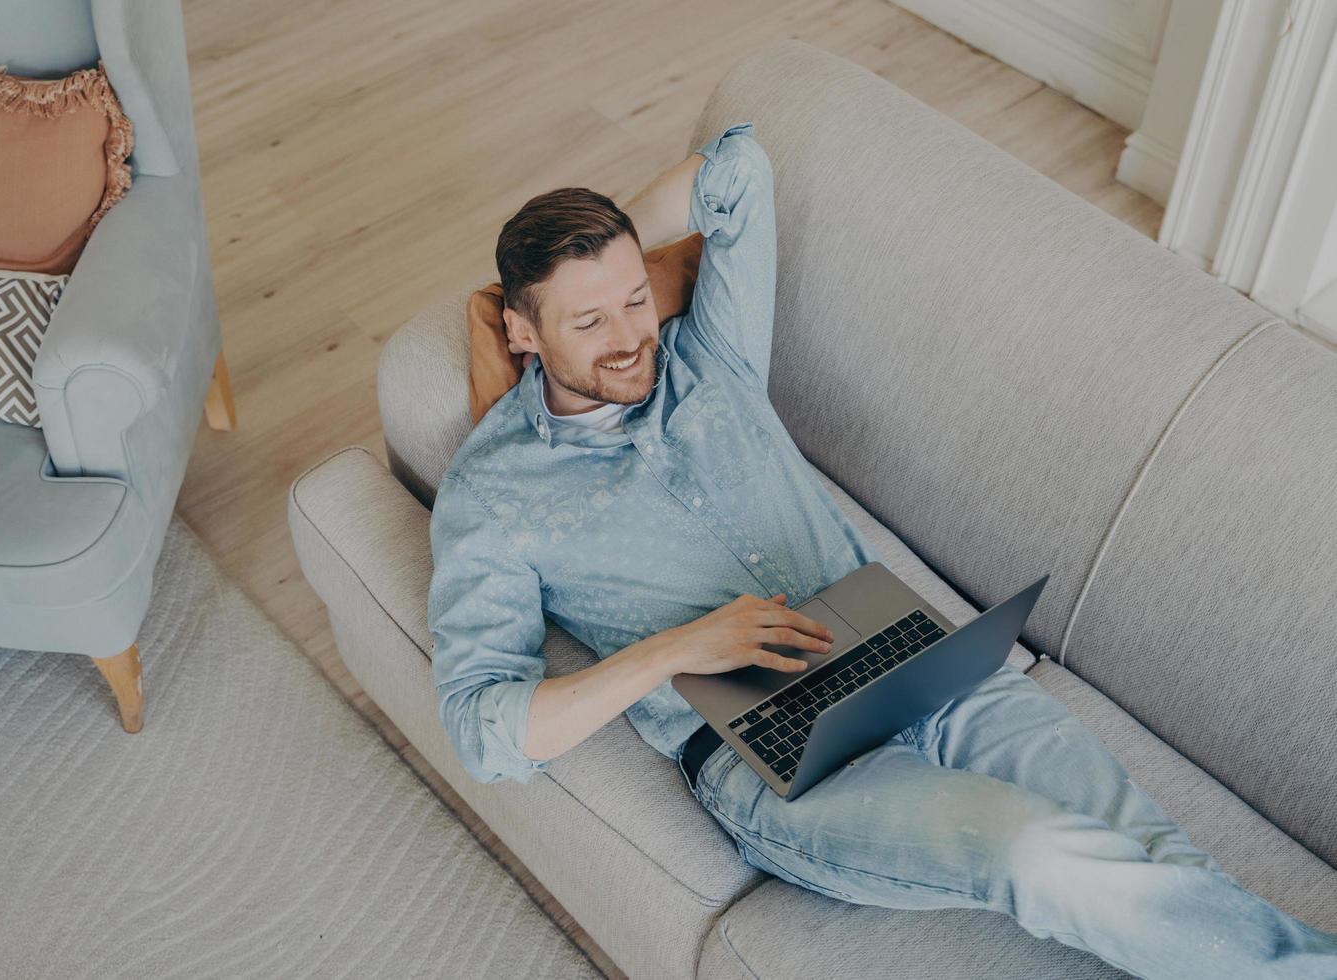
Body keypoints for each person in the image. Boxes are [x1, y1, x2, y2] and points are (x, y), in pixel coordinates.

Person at [425, 121, 1337, 979]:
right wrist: (678, 650)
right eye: (588, 324)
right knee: (1035, 850)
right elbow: (485, 731)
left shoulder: (709, 357)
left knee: (1154, 853)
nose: (629, 339)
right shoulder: (493, 496)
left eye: (635, 300)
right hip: (775, 755)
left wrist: (613, 256)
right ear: (518, 329)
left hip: (916, 658)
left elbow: (737, 170)